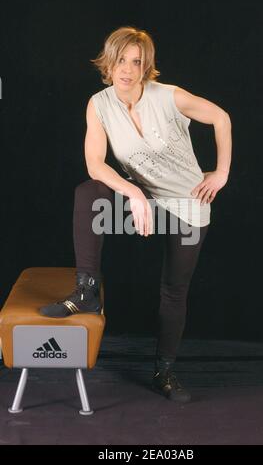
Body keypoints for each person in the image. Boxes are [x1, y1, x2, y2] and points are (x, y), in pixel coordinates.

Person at [39, 26, 232, 403]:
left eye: (136, 62)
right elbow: (95, 163)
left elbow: (221, 118)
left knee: (174, 291)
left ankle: (165, 372)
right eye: (121, 60)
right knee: (89, 192)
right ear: (108, 62)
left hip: (188, 201)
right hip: (143, 196)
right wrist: (132, 192)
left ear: (147, 67)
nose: (127, 69)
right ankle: (87, 291)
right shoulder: (99, 104)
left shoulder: (169, 97)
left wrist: (221, 172)